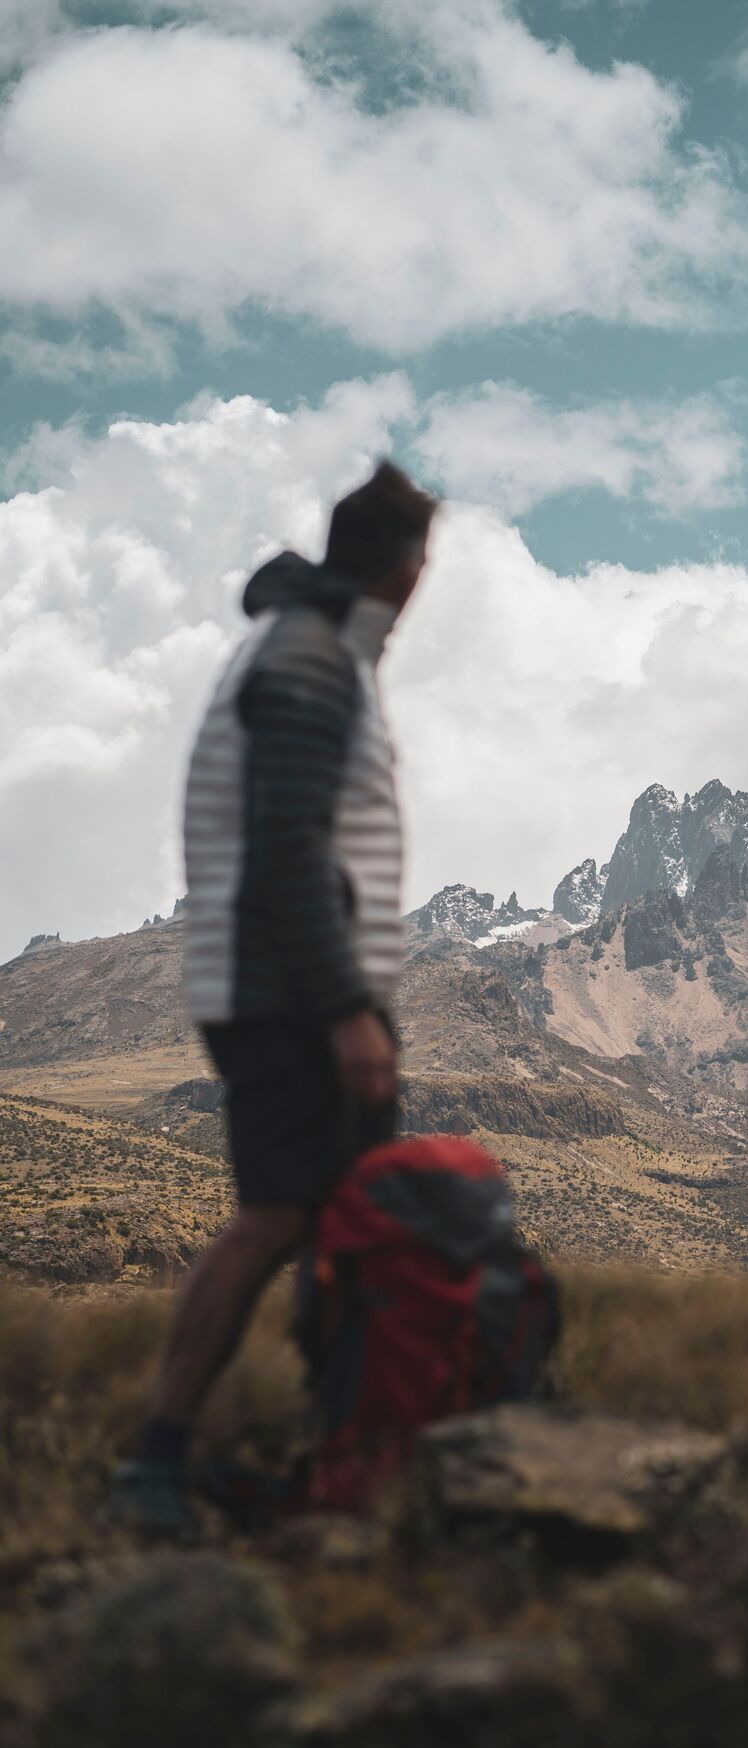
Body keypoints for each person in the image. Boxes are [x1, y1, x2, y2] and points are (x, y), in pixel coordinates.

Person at [112, 461, 439, 1538]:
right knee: (278, 1216)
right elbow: (288, 844)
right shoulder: (307, 661)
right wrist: (348, 1004)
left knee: (332, 1220)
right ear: (406, 568)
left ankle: (335, 1451)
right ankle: (156, 1461)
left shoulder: (307, 646)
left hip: (281, 978)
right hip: (288, 988)